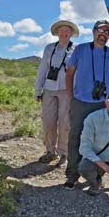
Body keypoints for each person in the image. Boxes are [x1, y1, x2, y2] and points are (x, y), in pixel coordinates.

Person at [64, 20, 109, 190]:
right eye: (100, 30)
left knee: (101, 140)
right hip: (81, 102)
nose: (103, 34)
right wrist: (71, 96)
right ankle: (72, 174)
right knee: (75, 137)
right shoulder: (81, 50)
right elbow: (70, 73)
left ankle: (97, 176)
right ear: (93, 31)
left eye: (107, 32)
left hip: (104, 104)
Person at [35, 20, 79, 164]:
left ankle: (63, 153)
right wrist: (38, 89)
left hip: (67, 90)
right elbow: (43, 70)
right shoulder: (49, 48)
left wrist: (76, 92)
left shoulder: (76, 50)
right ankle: (50, 151)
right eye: (62, 30)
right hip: (49, 89)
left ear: (71, 34)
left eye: (68, 31)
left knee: (65, 123)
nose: (64, 33)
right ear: (57, 32)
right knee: (48, 121)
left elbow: (78, 72)